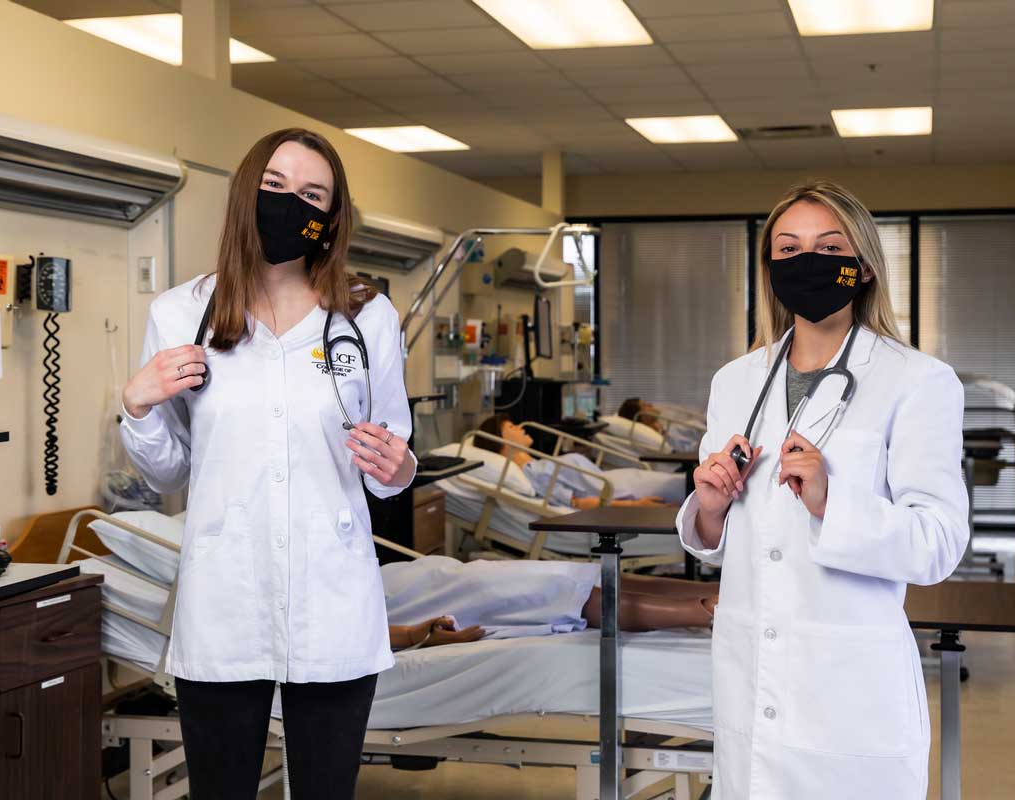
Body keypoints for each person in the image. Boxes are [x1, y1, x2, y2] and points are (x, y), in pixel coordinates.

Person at [120, 128, 416, 800]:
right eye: (275, 188)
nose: (290, 206)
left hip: (332, 598)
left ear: (331, 219)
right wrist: (136, 406)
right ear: (244, 195)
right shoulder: (181, 314)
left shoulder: (366, 318)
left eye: (311, 195)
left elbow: (391, 464)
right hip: (224, 598)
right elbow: (165, 477)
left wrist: (398, 466)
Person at [677, 180, 968, 799]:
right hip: (750, 680)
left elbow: (938, 544)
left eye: (828, 246)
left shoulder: (918, 381)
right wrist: (709, 508)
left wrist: (832, 502)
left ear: (860, 266)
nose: (807, 262)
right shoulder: (734, 381)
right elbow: (720, 542)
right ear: (769, 270)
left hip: (851, 694)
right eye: (788, 249)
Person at [382, 555, 716, 636]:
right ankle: (710, 611)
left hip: (427, 576)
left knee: (575, 573)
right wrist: (418, 636)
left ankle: (718, 591)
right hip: (423, 600)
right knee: (550, 591)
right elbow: (390, 636)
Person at [474, 413, 685, 508]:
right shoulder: (533, 471)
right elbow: (577, 502)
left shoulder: (540, 463)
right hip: (629, 491)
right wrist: (636, 505)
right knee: (695, 487)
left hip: (630, 481)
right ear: (501, 441)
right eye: (511, 427)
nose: (520, 428)